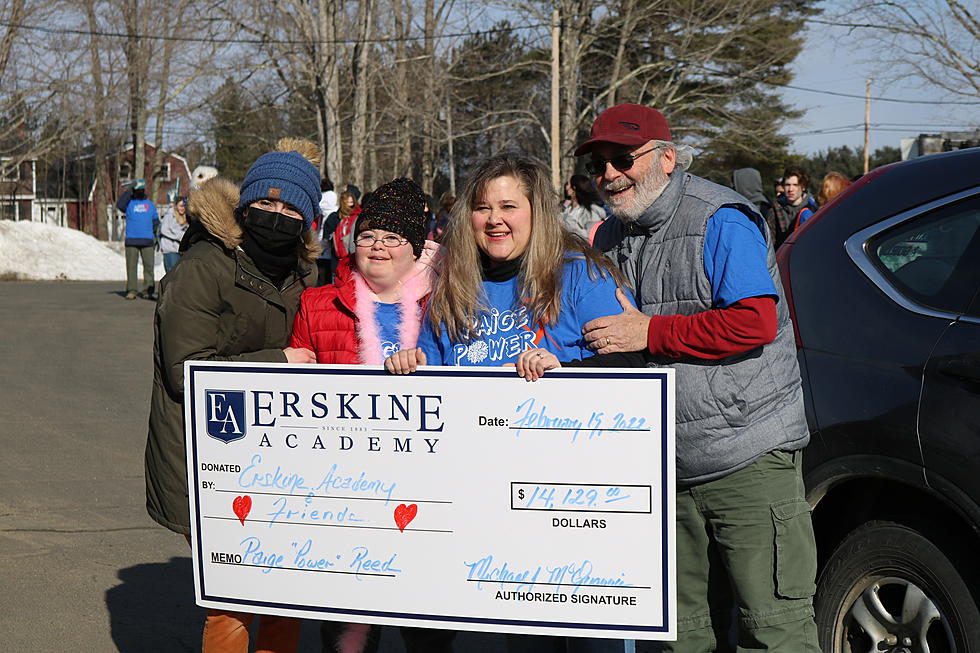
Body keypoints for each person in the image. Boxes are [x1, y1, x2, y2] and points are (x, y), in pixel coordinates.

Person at [569, 103, 818, 652]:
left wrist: (651, 333)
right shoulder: (608, 236)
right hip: (663, 466)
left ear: (667, 158)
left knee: (774, 631)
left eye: (623, 159)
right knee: (681, 637)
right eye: (599, 165)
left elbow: (755, 321)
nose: (609, 175)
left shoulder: (720, 218)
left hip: (747, 456)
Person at [384, 154, 632, 653]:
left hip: (573, 504)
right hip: (490, 512)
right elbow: (436, 399)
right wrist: (410, 371)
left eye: (508, 206)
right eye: (481, 207)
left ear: (536, 212)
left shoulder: (580, 275)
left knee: (591, 643)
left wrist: (569, 375)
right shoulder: (452, 289)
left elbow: (627, 378)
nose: (494, 219)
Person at [144, 138, 322, 653]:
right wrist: (278, 363)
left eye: (290, 207)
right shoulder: (205, 265)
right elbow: (184, 371)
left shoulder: (303, 273)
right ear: (245, 206)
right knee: (238, 592)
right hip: (205, 454)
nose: (276, 215)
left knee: (285, 588)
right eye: (265, 204)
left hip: (275, 455)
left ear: (307, 219)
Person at [290, 177, 448, 653]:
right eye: (368, 236)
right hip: (346, 492)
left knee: (429, 624)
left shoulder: (446, 303)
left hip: (427, 486)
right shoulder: (318, 303)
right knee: (349, 629)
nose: (377, 247)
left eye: (392, 238)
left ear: (415, 248)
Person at [119, 179, 159, 300]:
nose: (140, 192)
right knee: (131, 267)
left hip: (147, 240)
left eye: (141, 189)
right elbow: (120, 205)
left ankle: (148, 290)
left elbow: (156, 221)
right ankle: (132, 290)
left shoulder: (150, 204)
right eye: (137, 190)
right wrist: (130, 189)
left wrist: (156, 236)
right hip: (132, 240)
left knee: (149, 267)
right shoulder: (129, 204)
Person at [770, 165, 817, 243]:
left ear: (803, 187)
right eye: (787, 185)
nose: (790, 189)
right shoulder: (775, 211)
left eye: (795, 185)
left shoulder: (812, 210)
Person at [560, 174, 606, 241]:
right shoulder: (568, 208)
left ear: (574, 188)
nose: (566, 187)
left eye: (568, 184)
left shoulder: (591, 212)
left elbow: (592, 238)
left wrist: (571, 224)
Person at [315, 178, 339, 285]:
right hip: (323, 243)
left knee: (324, 274)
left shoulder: (327, 198)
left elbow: (319, 207)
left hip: (325, 243)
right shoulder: (332, 203)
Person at [158, 196, 188, 274]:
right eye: (180, 206)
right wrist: (180, 236)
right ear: (176, 206)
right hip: (170, 249)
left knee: (180, 275)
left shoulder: (185, 216)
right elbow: (163, 230)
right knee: (172, 275)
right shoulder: (170, 214)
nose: (182, 208)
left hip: (180, 250)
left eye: (184, 206)